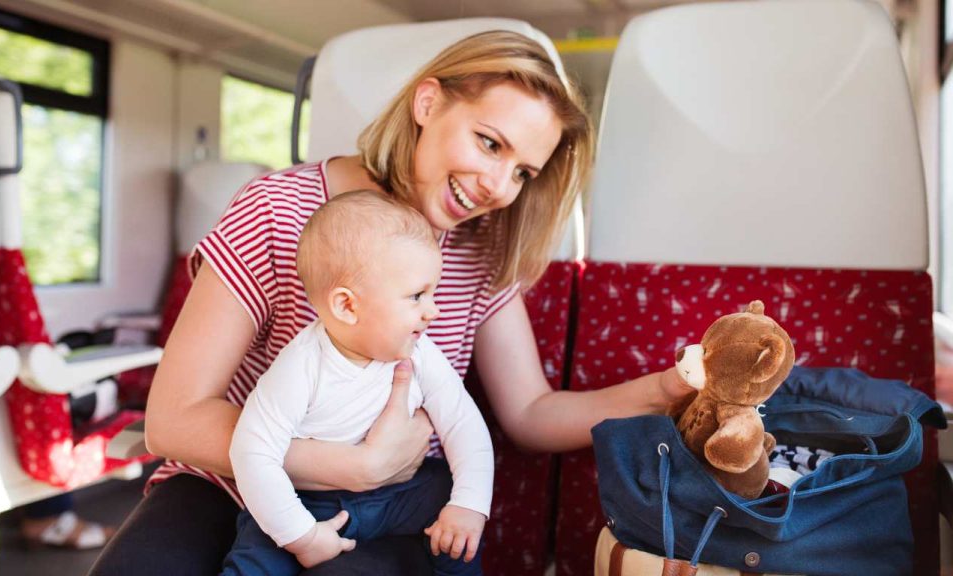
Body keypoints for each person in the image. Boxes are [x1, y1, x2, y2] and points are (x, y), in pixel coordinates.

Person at [88, 30, 693, 576]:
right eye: (489, 144)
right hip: (223, 480)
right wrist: (351, 466)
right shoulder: (276, 210)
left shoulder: (483, 254)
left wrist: (665, 391)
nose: (498, 187)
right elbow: (172, 420)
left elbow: (530, 413)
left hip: (388, 504)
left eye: (522, 173)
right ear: (427, 104)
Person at [221, 191, 492, 575]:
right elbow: (252, 452)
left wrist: (468, 504)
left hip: (401, 494)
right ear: (348, 306)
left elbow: (463, 424)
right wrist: (302, 536)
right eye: (416, 296)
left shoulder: (421, 352)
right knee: (258, 548)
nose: (433, 311)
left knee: (449, 498)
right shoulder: (301, 366)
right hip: (311, 501)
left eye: (432, 292)